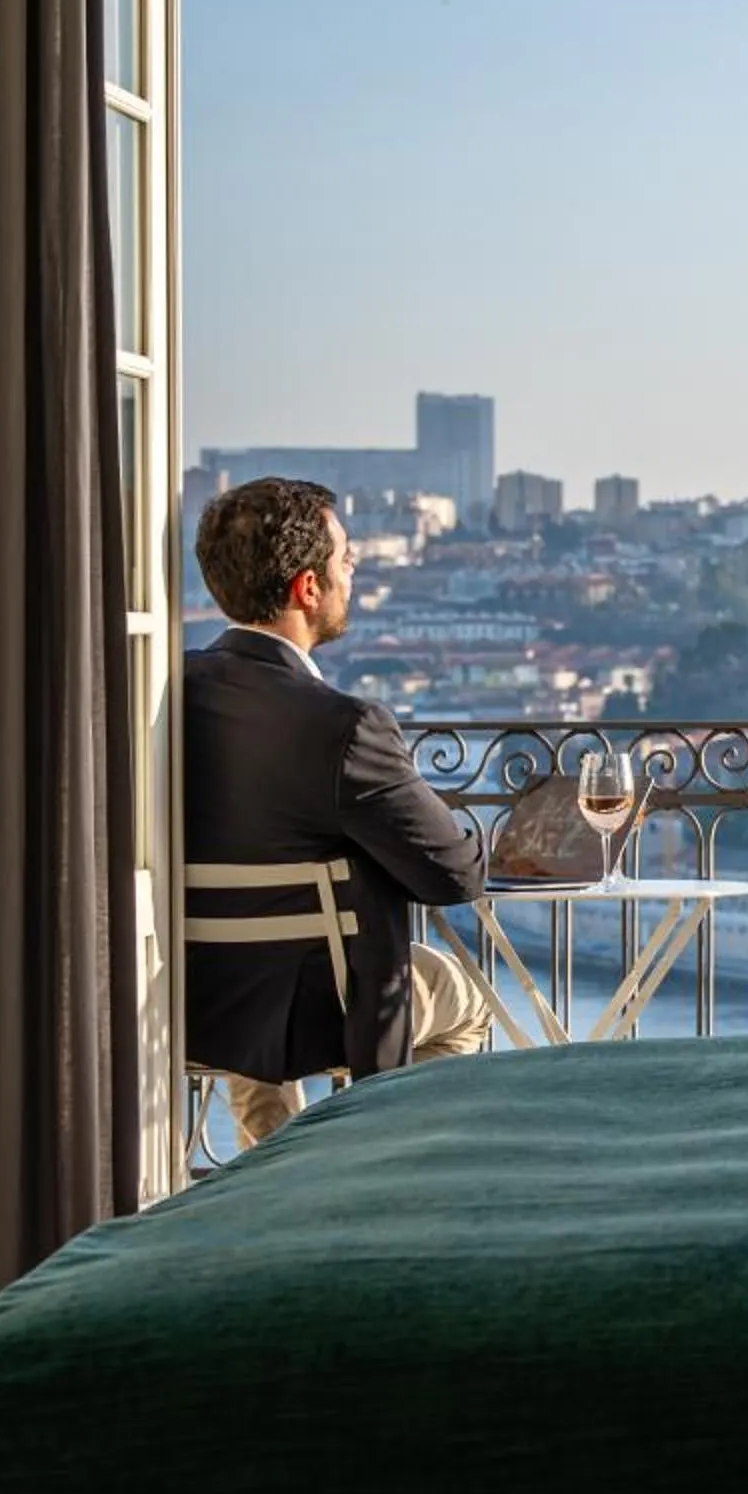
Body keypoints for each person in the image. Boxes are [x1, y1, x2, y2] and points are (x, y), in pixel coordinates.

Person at [185, 477, 492, 1145]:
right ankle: (369, 1159)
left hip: (190, 999)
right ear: (307, 588)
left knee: (260, 962)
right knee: (464, 1003)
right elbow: (453, 876)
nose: (354, 571)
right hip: (330, 1012)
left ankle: (271, 1169)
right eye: (346, 559)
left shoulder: (165, 699)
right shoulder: (345, 728)